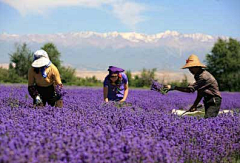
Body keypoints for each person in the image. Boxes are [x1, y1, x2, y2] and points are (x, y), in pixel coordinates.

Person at [164, 54, 222, 118]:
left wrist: (174, 87)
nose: (190, 70)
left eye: (191, 68)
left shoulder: (203, 77)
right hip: (208, 99)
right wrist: (195, 105)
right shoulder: (198, 75)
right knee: (208, 119)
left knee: (208, 120)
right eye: (189, 68)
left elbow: (190, 90)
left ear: (197, 66)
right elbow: (200, 92)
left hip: (213, 99)